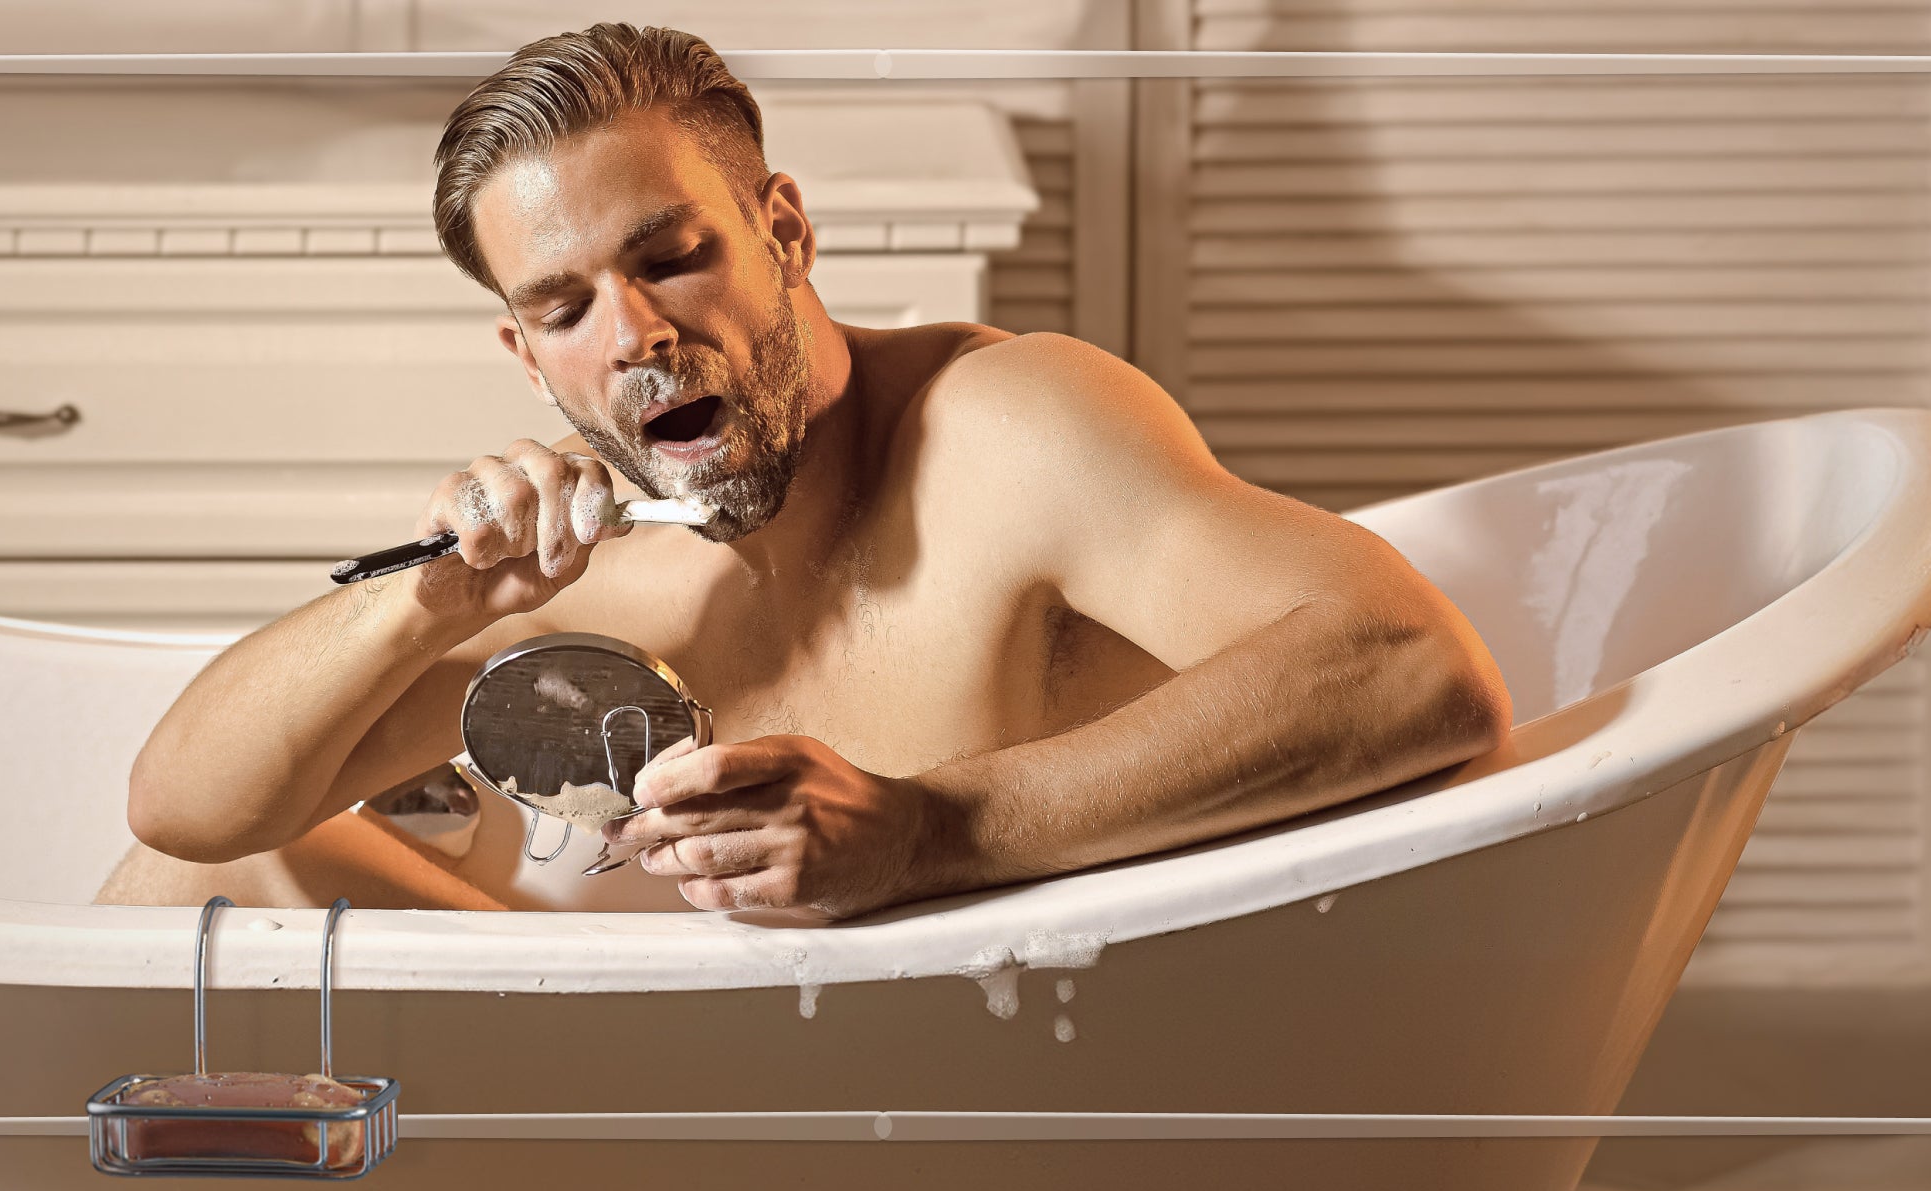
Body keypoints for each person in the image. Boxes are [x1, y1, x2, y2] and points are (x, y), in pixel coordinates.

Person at [96, 23, 1509, 920]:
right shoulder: (581, 577)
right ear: (525, 355)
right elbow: (185, 809)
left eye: (673, 256)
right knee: (205, 881)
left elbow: (1408, 664)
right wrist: (423, 600)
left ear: (784, 229)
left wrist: (932, 829)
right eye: (566, 305)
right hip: (713, 1091)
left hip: (1016, 1088)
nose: (636, 333)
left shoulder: (1001, 432)